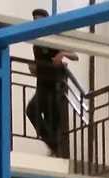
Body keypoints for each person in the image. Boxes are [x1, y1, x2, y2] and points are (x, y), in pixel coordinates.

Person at [23, 8, 74, 159]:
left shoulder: (54, 38)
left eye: (40, 20)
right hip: (42, 84)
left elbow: (74, 54)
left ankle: (56, 147)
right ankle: (53, 144)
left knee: (52, 119)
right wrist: (34, 67)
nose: (37, 24)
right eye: (35, 21)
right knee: (33, 111)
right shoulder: (36, 43)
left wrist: (61, 54)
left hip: (55, 85)